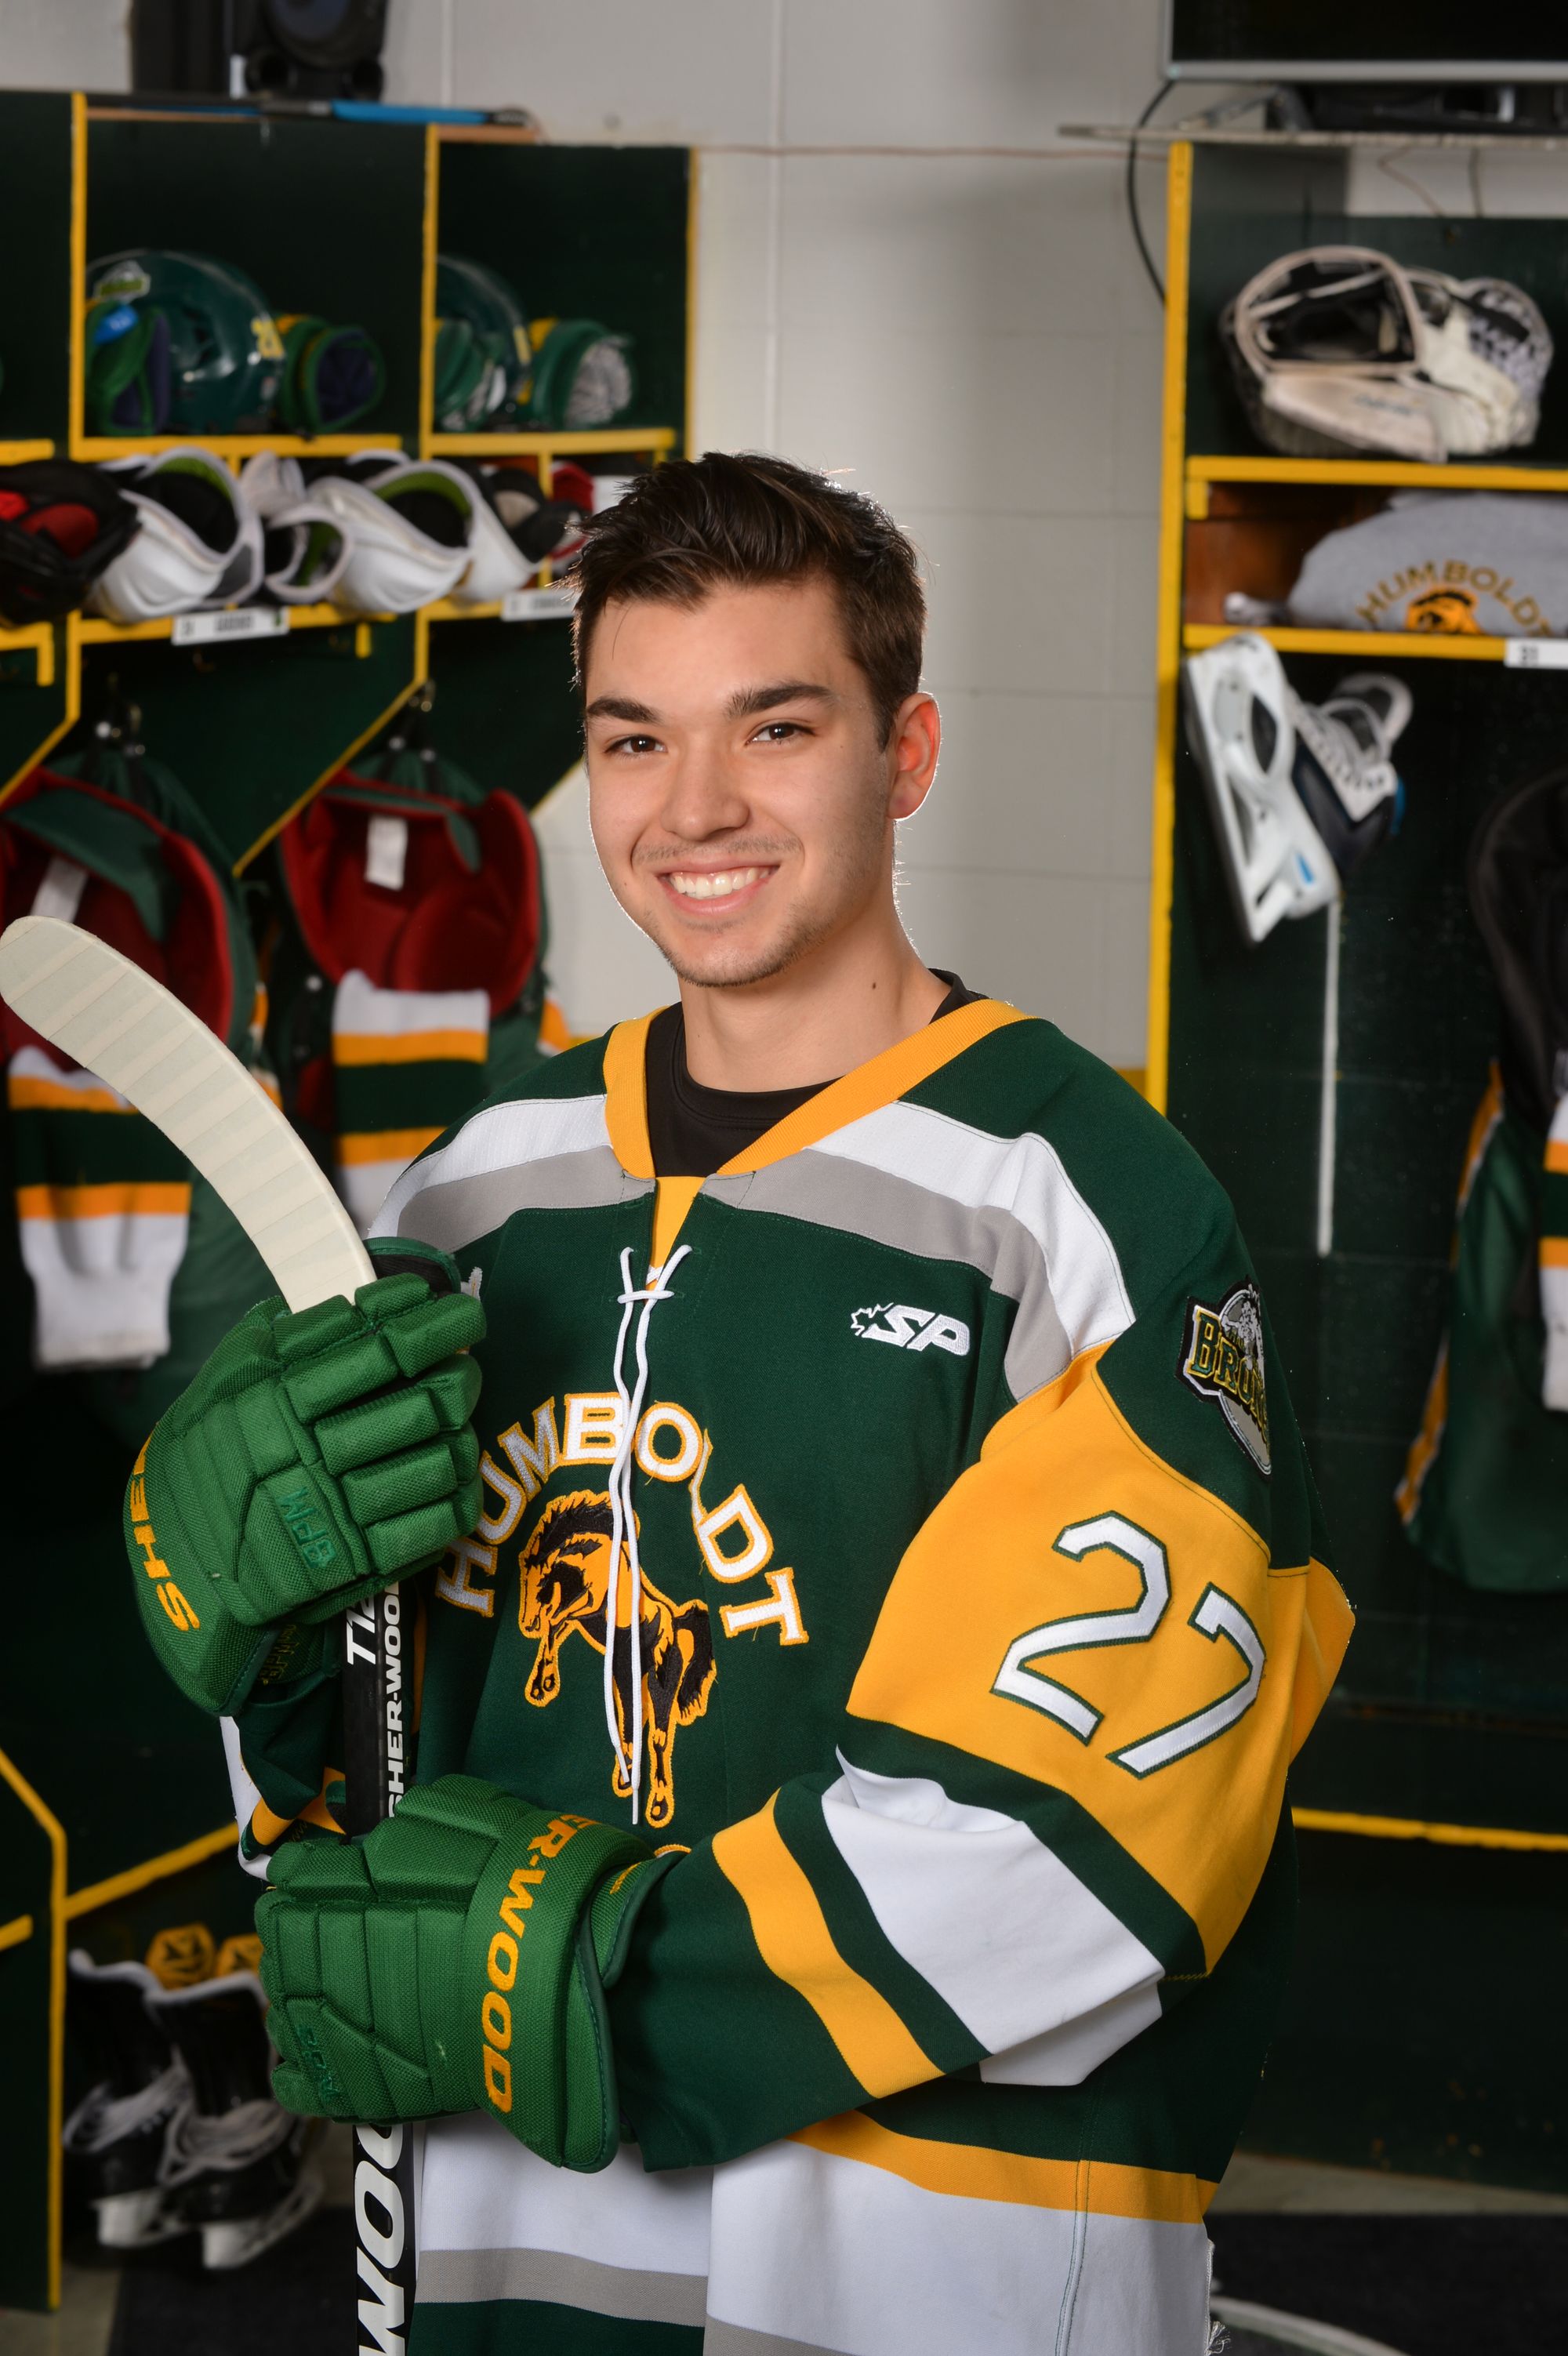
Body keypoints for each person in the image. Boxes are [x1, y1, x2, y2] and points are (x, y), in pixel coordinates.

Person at [127, 451, 1352, 2354]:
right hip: (504, 2243)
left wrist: (595, 1976)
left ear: (906, 751)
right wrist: (257, 1639)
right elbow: (359, 1786)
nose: (693, 810)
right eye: (632, 742)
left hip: (922, 2278)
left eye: (772, 727)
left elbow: (1095, 1826)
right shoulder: (469, 1191)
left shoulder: (1078, 1206)